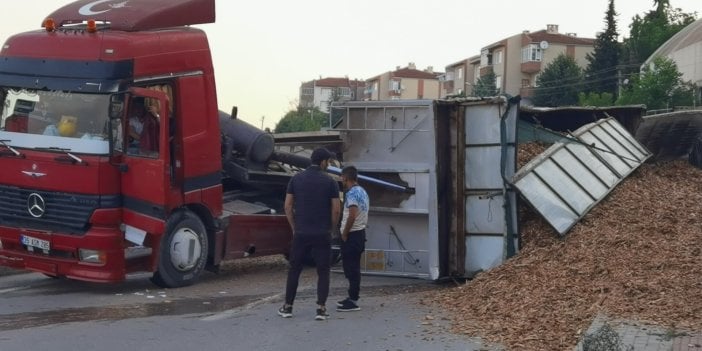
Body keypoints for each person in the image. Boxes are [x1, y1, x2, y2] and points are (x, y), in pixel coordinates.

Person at [278, 147, 341, 321]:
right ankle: (321, 309)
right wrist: (331, 227)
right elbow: (336, 209)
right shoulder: (330, 182)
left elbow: (288, 206)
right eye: (328, 162)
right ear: (322, 162)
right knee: (323, 271)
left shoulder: (296, 179)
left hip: (301, 232)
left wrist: (294, 226)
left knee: (294, 269)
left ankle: (288, 307)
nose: (328, 165)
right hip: (322, 232)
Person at [336, 165, 369, 312]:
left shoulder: (351, 194)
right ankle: (351, 296)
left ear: (346, 177)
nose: (341, 179)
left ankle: (353, 300)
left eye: (342, 177)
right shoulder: (363, 191)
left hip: (352, 234)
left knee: (351, 268)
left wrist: (344, 233)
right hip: (360, 232)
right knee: (353, 266)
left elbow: (352, 214)